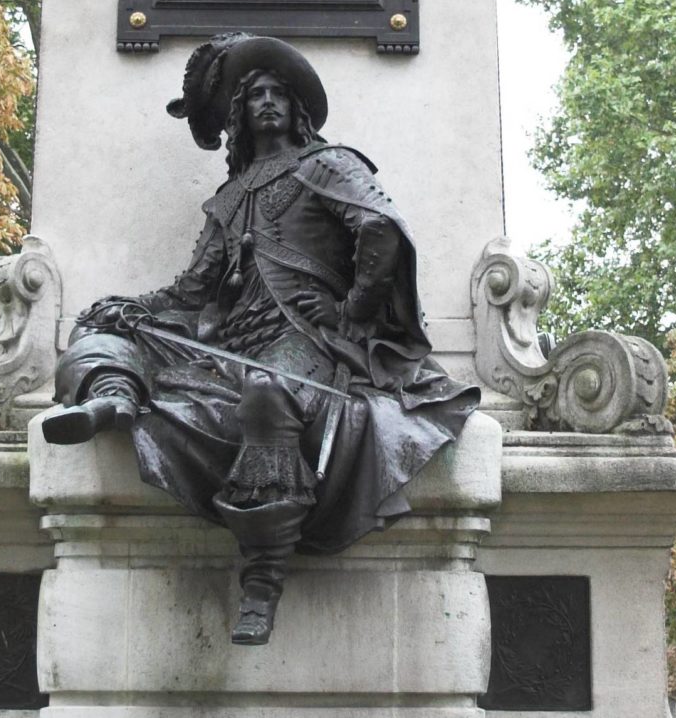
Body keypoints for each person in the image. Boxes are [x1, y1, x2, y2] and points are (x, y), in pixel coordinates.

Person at [43, 33, 479, 645]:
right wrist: (133, 308)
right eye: (255, 96)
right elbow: (191, 290)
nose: (267, 102)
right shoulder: (229, 198)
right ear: (239, 114)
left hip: (303, 341)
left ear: (296, 107)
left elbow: (379, 228)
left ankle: (263, 579)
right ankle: (111, 397)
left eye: (278, 93)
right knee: (102, 325)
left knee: (269, 390)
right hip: (229, 345)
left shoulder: (327, 164)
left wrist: (351, 311)